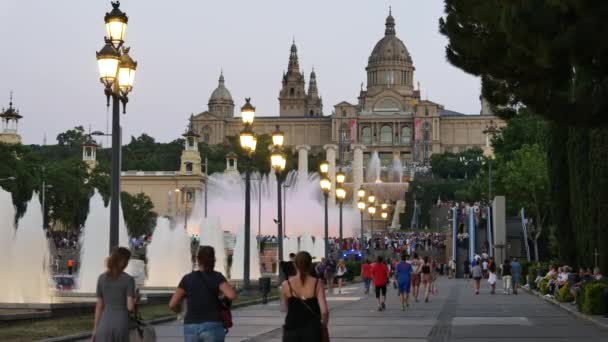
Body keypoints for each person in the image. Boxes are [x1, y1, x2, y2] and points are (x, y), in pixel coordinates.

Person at [169, 246, 237, 342]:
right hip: (213, 324)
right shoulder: (217, 277)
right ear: (214, 260)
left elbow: (172, 304)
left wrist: (180, 311)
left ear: (198, 260)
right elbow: (232, 295)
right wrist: (222, 298)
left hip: (191, 325)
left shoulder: (187, 279)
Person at [281, 251, 329, 342]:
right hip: (312, 330)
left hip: (291, 329)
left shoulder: (286, 284)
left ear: (295, 264)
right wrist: (324, 326)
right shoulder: (317, 283)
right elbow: (324, 311)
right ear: (310, 265)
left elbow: (284, 309)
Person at [93, 247, 136, 342]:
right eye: (127, 260)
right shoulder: (129, 280)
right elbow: (130, 307)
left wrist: (95, 329)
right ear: (124, 261)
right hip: (121, 323)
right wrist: (135, 300)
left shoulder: (101, 278)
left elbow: (99, 306)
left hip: (104, 323)